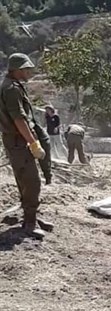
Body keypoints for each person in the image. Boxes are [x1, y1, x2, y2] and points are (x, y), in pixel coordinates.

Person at [0, 53, 53, 239]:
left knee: (26, 180)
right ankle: (29, 224)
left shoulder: (12, 86)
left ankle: (31, 218)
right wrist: (33, 142)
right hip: (18, 141)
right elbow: (18, 119)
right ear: (16, 70)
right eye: (26, 69)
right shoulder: (11, 89)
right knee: (31, 182)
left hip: (17, 140)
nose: (29, 72)